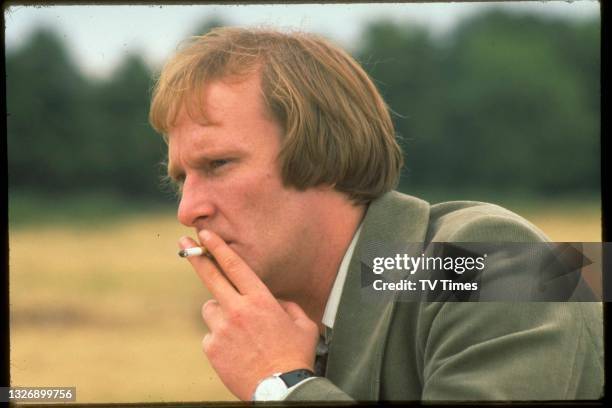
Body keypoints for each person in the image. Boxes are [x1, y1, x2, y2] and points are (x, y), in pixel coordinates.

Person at [148, 27, 603, 402]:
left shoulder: (497, 259)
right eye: (181, 178)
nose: (188, 210)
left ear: (321, 155)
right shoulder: (300, 325)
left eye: (218, 165)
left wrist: (283, 384)